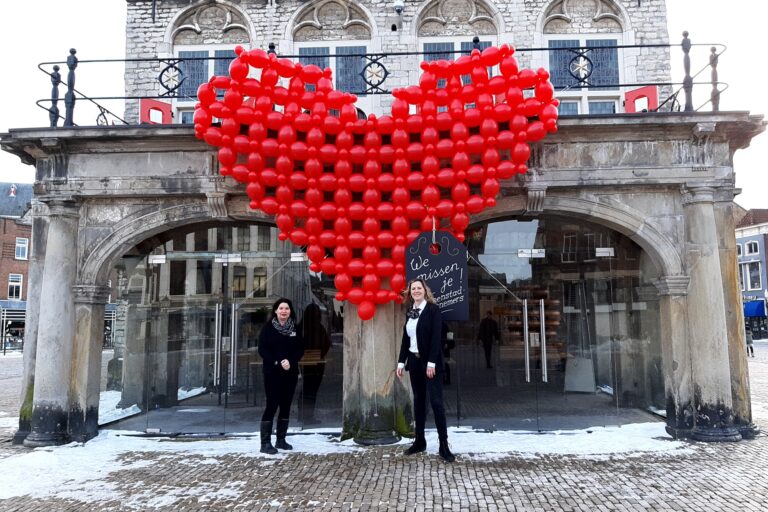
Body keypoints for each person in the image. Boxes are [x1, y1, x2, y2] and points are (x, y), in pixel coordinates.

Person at [396, 278, 456, 463]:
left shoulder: (432, 310)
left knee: (437, 403)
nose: (416, 291)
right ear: (409, 292)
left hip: (430, 364)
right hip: (414, 362)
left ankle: (443, 445)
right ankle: (419, 441)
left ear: (425, 291)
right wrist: (400, 362)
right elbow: (407, 339)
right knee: (419, 402)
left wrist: (431, 363)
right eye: (413, 289)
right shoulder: (410, 312)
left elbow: (435, 339)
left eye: (419, 288)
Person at [257, 298, 304, 454]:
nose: (284, 311)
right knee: (272, 405)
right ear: (276, 311)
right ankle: (265, 443)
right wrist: (277, 361)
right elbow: (262, 350)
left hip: (290, 373)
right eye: (281, 308)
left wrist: (290, 361)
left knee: (286, 406)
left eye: (287, 308)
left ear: (290, 311)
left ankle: (281, 440)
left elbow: (300, 349)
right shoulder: (268, 329)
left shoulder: (295, 329)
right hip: (272, 373)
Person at [298, 303, 331, 423]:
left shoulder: (301, 327)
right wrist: (320, 355)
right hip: (317, 363)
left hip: (305, 363)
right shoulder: (319, 328)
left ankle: (302, 414)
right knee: (312, 390)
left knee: (306, 388)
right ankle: (308, 415)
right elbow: (326, 344)